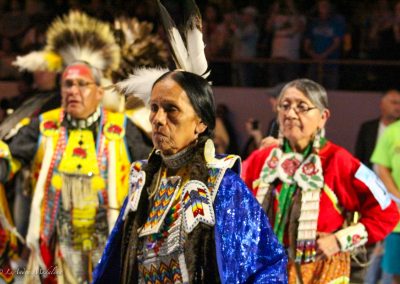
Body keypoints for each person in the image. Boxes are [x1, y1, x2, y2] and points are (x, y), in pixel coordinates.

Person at [92, 70, 288, 283]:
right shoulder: (143, 181)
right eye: (154, 108)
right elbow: (114, 265)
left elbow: (267, 265)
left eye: (171, 110)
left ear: (200, 123)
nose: (157, 119)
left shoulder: (223, 184)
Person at [0, 61, 152, 283]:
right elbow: (9, 164)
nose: (73, 91)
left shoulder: (122, 127)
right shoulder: (44, 125)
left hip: (107, 239)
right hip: (56, 246)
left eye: (82, 84)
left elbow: (150, 170)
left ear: (99, 92)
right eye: (68, 84)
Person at [243, 78, 399, 283]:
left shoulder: (339, 161)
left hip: (320, 272)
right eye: (285, 106)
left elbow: (388, 211)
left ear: (323, 117)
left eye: (301, 107)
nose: (290, 114)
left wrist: (340, 240)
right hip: (265, 269)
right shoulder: (261, 159)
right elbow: (231, 200)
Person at [371, 116, 400, 284]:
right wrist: (397, 198)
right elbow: (382, 167)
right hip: (398, 222)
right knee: (397, 273)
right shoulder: (393, 131)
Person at [355, 89, 400, 170]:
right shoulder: (368, 128)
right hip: (370, 176)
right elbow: (359, 156)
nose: (398, 107)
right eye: (394, 103)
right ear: (382, 104)